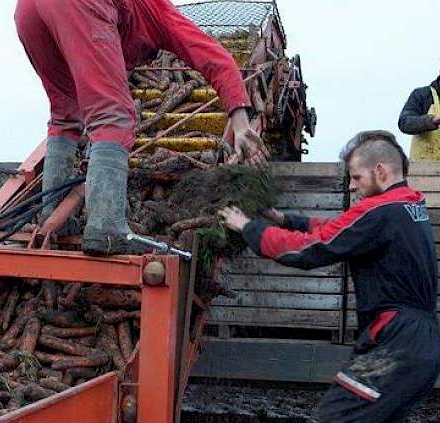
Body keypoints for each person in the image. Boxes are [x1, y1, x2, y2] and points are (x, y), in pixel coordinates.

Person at [219, 131, 440, 423]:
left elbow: (310, 251)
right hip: (421, 346)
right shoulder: (406, 208)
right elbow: (336, 230)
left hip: (396, 348)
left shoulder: (381, 212)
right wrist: (284, 219)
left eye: (356, 178)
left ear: (380, 171)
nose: (352, 187)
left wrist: (248, 227)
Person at [15, 0, 268, 255]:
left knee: (65, 116)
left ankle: (54, 219)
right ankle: (107, 229)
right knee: (114, 115)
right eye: (148, 55)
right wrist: (242, 124)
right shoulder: (161, 11)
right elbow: (217, 59)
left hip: (28, 11)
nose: (140, 61)